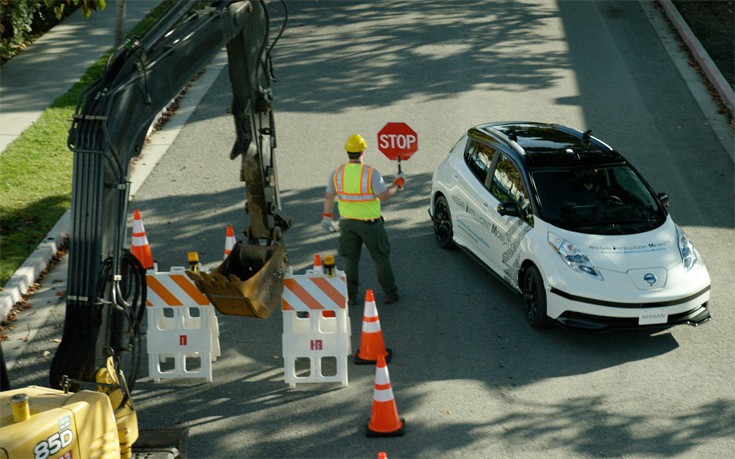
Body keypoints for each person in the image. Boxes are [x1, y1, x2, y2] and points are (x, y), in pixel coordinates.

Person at [321, 133, 406, 306]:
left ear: (347, 151)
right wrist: (398, 183)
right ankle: (390, 293)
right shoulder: (371, 173)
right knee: (381, 258)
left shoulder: (337, 173)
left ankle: (351, 297)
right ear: (362, 151)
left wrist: (327, 217)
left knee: (350, 260)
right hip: (370, 224)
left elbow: (329, 197)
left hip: (347, 224)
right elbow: (383, 196)